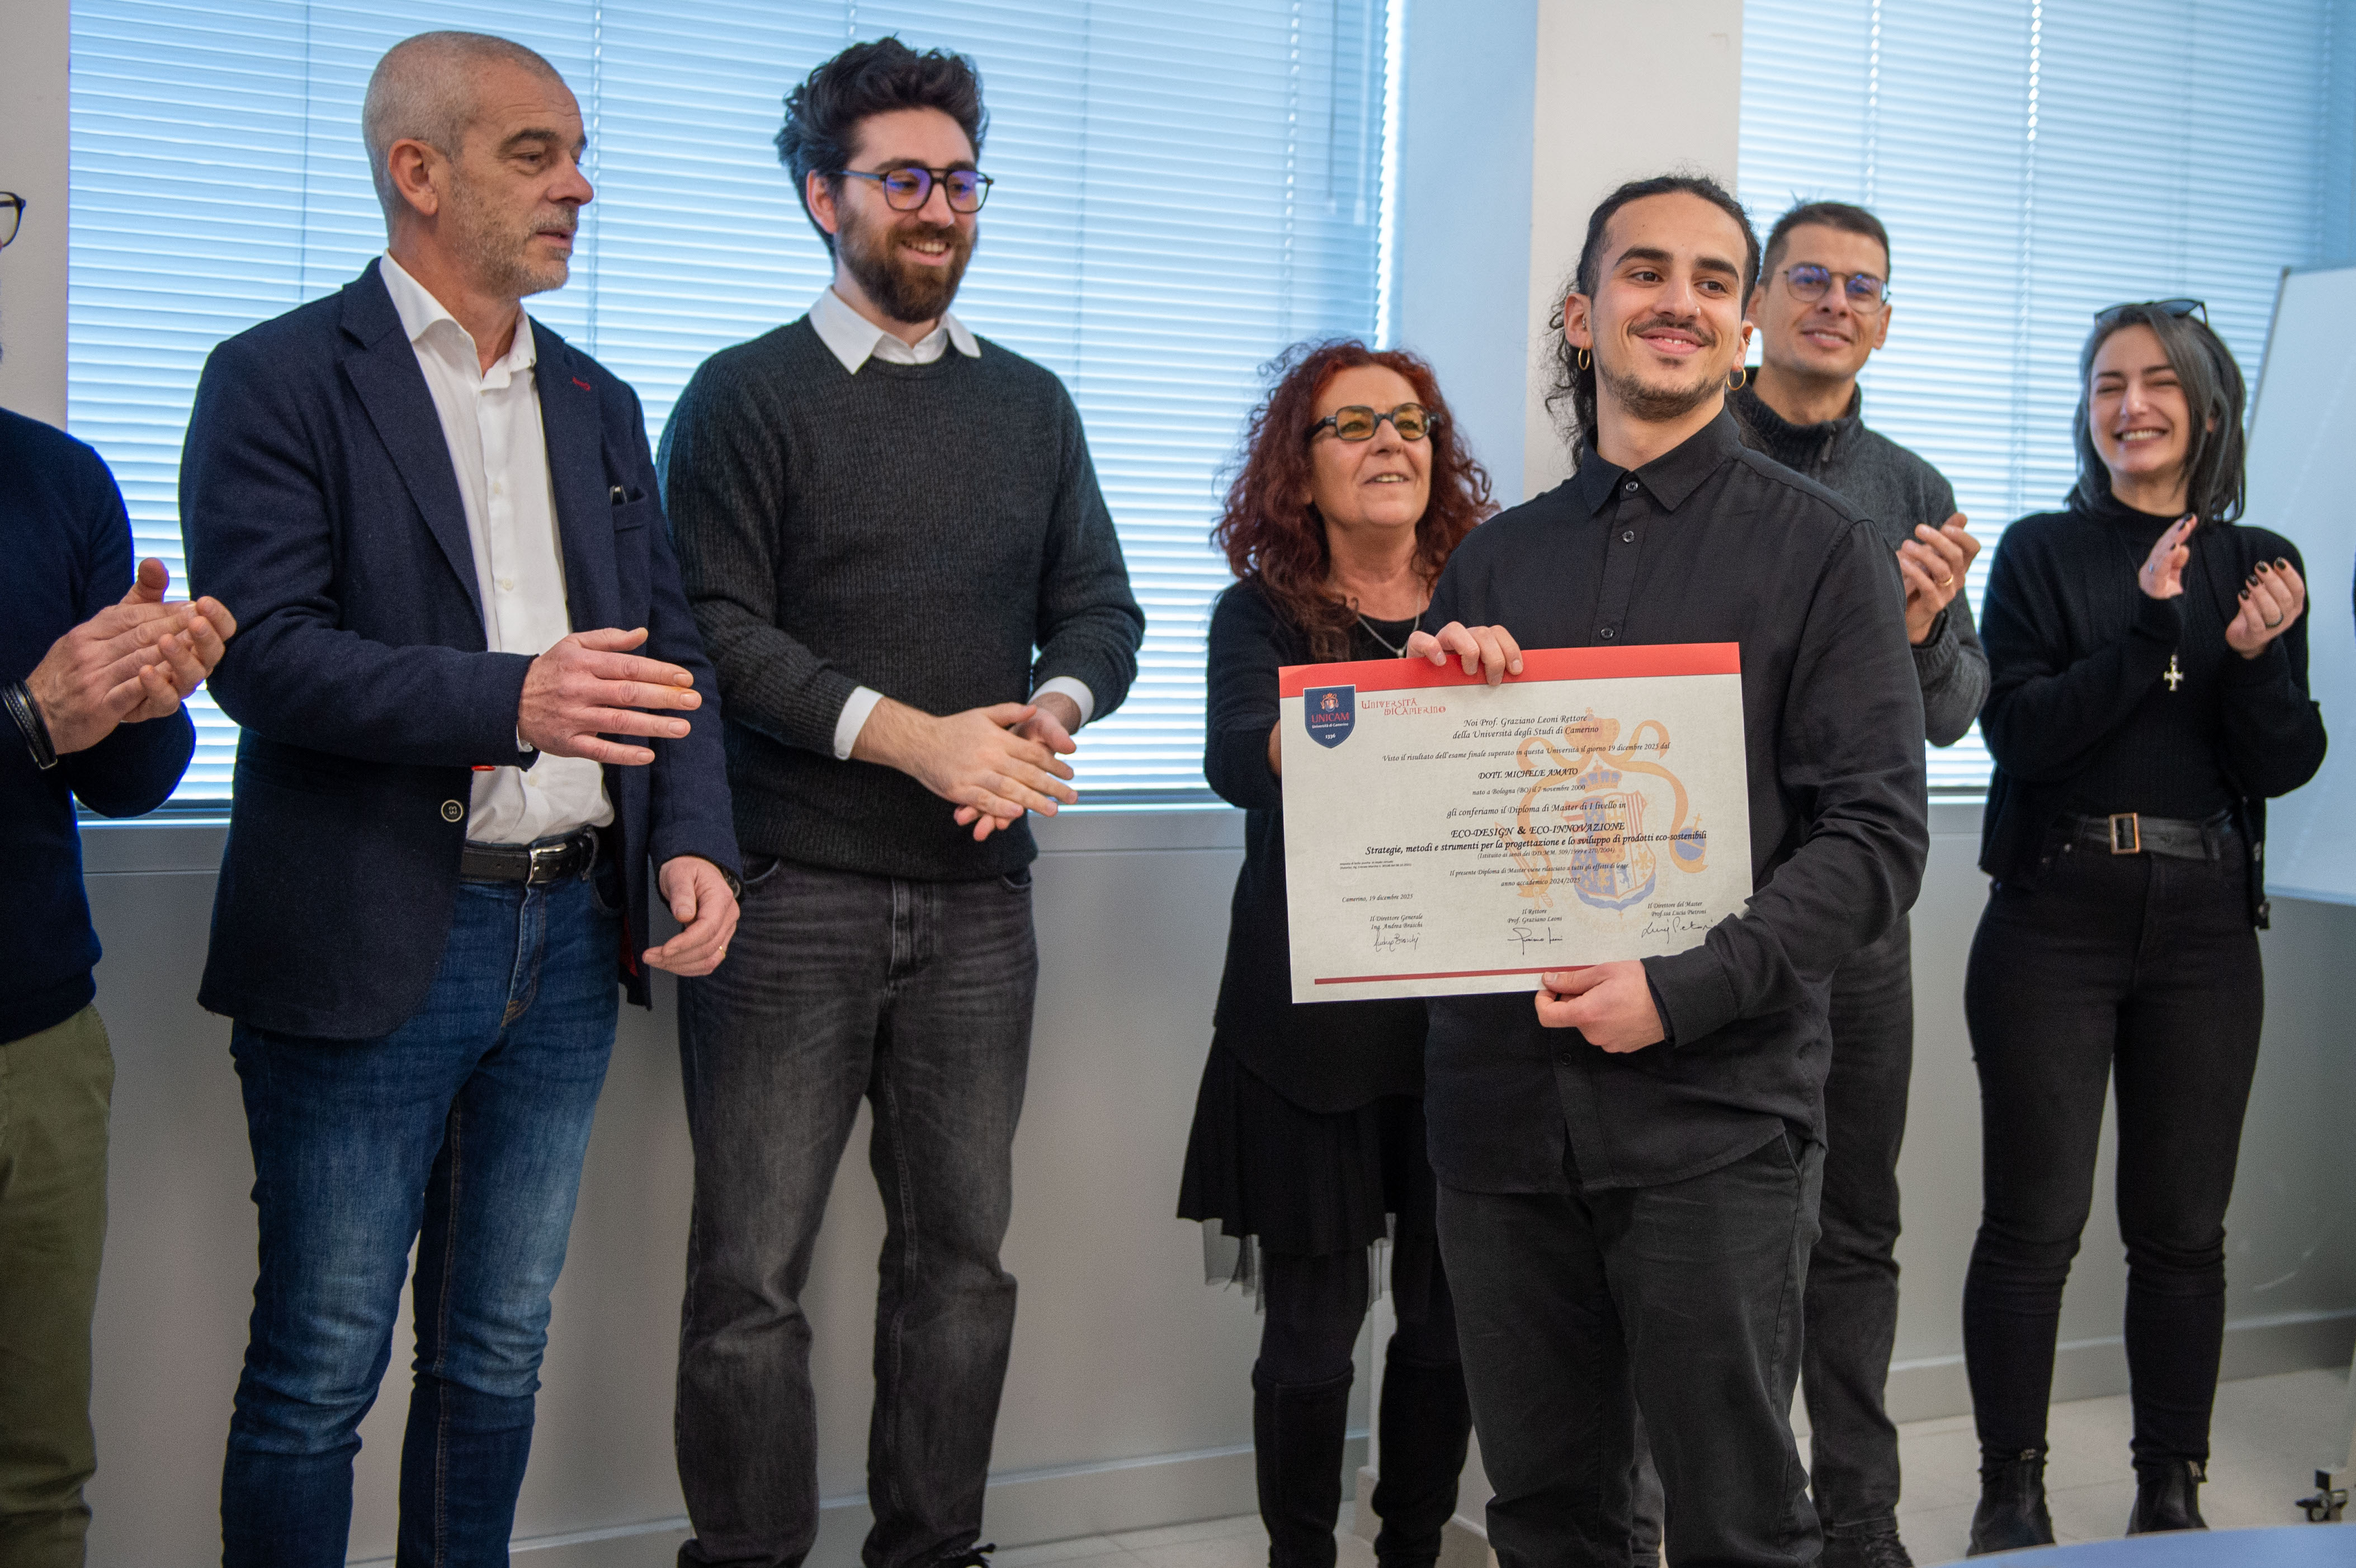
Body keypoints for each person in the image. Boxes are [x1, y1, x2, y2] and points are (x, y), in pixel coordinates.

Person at [179, 32, 740, 1562]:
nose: (579, 187)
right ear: (417, 172)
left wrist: (691, 837)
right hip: (366, 936)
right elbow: (265, 656)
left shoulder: (598, 397)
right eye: (533, 153)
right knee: (317, 1371)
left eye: (578, 154)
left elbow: (669, 650)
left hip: (566, 941)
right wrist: (511, 701)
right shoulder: (275, 378)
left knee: (495, 1354)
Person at [658, 37, 1144, 1568]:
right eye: (904, 179)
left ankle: (931, 1551)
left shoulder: (1032, 406)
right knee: (750, 1279)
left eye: (961, 180)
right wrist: (915, 740)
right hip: (785, 896)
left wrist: (1048, 711)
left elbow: (1100, 611)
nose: (939, 207)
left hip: (979, 906)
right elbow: (712, 630)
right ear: (826, 198)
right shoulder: (742, 397)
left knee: (960, 1270)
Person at [1405, 173, 1929, 1568]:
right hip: (1500, 1121)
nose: (1677, 301)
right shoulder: (1491, 562)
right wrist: (1424, 711)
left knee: (1739, 1525)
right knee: (1546, 1517)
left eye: (1711, 279)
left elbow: (1876, 838)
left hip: (1713, 1113)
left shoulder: (1825, 553)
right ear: (1584, 314)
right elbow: (1435, 827)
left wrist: (1680, 988)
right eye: (1644, 271)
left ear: (1743, 327)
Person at [1959, 300, 2324, 1554]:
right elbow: (2021, 734)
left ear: (2205, 411)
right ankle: (2010, 1494)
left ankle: (2171, 1491)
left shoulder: (2258, 559)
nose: (2130, 405)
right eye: (2107, 382)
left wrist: (2257, 657)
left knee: (2180, 1234)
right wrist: (2151, 627)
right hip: (2052, 918)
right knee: (2031, 1226)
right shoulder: (2041, 550)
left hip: (2205, 929)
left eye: (2158, 382)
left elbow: (2280, 764)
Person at [1177, 339, 1492, 1568]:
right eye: (1350, 425)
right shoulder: (1259, 612)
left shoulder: (1492, 593)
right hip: (1306, 1027)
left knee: (1448, 1329)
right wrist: (1401, 700)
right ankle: (1299, 1557)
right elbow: (1236, 756)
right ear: (1298, 471)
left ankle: (1411, 1546)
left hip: (1465, 1020)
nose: (1387, 443)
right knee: (1311, 1337)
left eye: (1409, 423)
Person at [1720, 198, 1990, 1568]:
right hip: (1719, 908)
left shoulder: (1915, 489)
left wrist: (1919, 630)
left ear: (1883, 321)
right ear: (1757, 305)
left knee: (1857, 1225)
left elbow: (1951, 712)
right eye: (1810, 278)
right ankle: (1748, 1513)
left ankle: (1861, 1514)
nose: (1835, 302)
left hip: (1864, 917)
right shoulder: (1694, 461)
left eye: (1862, 287)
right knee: (1731, 1226)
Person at [3, 386, 232, 1559]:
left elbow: (123, 781)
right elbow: (35, 724)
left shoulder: (56, 478)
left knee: (38, 1477)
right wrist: (27, 716)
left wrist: (147, 696)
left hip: (38, 1047)